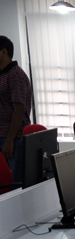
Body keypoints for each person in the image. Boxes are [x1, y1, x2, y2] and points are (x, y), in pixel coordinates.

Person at [0, 35, 32, 182]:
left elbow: (19, 111)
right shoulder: (3, 75)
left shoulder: (15, 75)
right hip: (3, 135)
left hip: (13, 139)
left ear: (3, 52)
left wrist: (9, 141)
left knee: (15, 183)